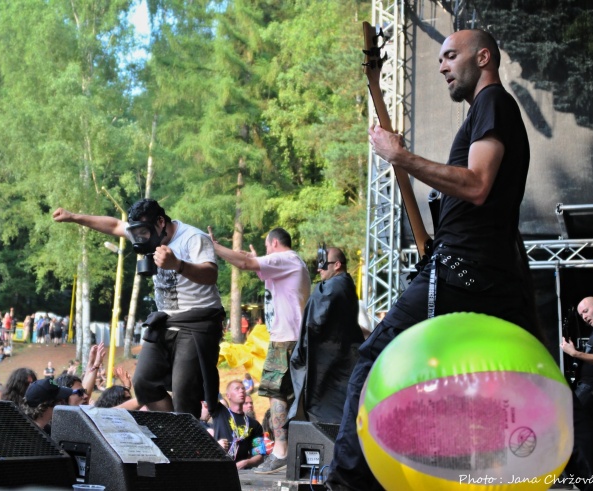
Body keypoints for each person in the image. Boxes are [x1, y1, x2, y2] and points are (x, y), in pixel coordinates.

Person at [326, 29, 542, 491]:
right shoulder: (487, 111)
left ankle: (346, 484)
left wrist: (402, 155)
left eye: (450, 56)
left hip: (462, 271)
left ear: (482, 58)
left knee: (374, 360)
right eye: (440, 58)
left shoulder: (493, 103)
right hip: (489, 275)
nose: (442, 65)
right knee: (529, 384)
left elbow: (476, 185)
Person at [53, 199, 224, 418]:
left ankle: (185, 431)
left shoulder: (193, 238)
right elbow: (115, 225)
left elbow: (211, 274)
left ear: (160, 222)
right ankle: (177, 428)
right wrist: (73, 217)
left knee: (184, 391)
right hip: (166, 321)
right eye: (137, 233)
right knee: (143, 383)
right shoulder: (142, 230)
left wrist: (178, 265)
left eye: (144, 232)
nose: (141, 237)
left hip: (197, 321)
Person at [208, 227, 311, 474]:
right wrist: (256, 262)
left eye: (266, 248)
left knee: (276, 394)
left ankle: (281, 452)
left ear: (274, 243)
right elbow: (256, 267)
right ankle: (294, 451)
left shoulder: (286, 258)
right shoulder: (291, 264)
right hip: (292, 339)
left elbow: (244, 263)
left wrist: (215, 247)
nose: (265, 254)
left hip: (285, 340)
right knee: (292, 398)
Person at [289, 247, 361, 425]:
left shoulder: (334, 287)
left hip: (331, 366)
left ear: (337, 265)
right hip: (337, 362)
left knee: (326, 414)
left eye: (323, 264)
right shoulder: (344, 285)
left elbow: (315, 322)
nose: (319, 269)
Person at [560, 296, 593, 491]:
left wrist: (575, 353)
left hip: (592, 390)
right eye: (581, 315)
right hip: (587, 389)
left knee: (566, 427)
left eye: (585, 311)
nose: (584, 317)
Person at [210, 380, 265, 470]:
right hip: (218, 469)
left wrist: (246, 462)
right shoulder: (219, 412)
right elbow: (209, 390)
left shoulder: (254, 424)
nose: (241, 391)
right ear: (228, 395)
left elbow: (259, 456)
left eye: (243, 389)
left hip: (241, 472)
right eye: (237, 389)